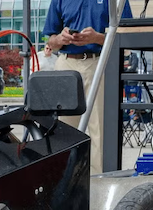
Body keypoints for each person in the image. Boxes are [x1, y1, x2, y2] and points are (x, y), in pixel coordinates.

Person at [43, 0, 132, 174]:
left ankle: (99, 180)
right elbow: (51, 41)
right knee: (63, 128)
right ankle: (66, 180)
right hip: (66, 63)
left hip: (100, 60)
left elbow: (127, 35)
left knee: (100, 127)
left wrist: (97, 38)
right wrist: (60, 39)